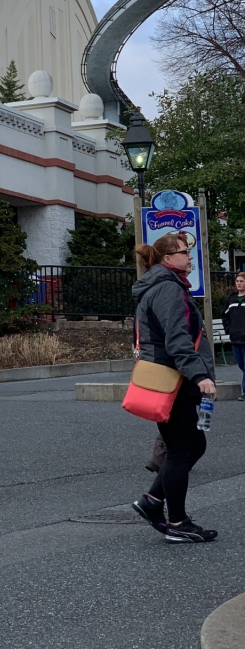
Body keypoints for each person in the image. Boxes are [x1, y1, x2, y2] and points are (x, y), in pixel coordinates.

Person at [130, 232, 218, 543]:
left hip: (170, 377)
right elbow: (177, 339)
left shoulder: (160, 285)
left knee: (194, 445)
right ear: (168, 260)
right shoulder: (167, 288)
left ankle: (152, 501)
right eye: (183, 252)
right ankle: (178, 524)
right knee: (182, 451)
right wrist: (199, 375)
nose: (189, 257)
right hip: (174, 379)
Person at [222, 272, 245, 401]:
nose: (239, 283)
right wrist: (228, 329)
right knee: (241, 365)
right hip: (235, 338)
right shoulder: (232, 299)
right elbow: (225, 315)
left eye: (241, 281)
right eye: (237, 281)